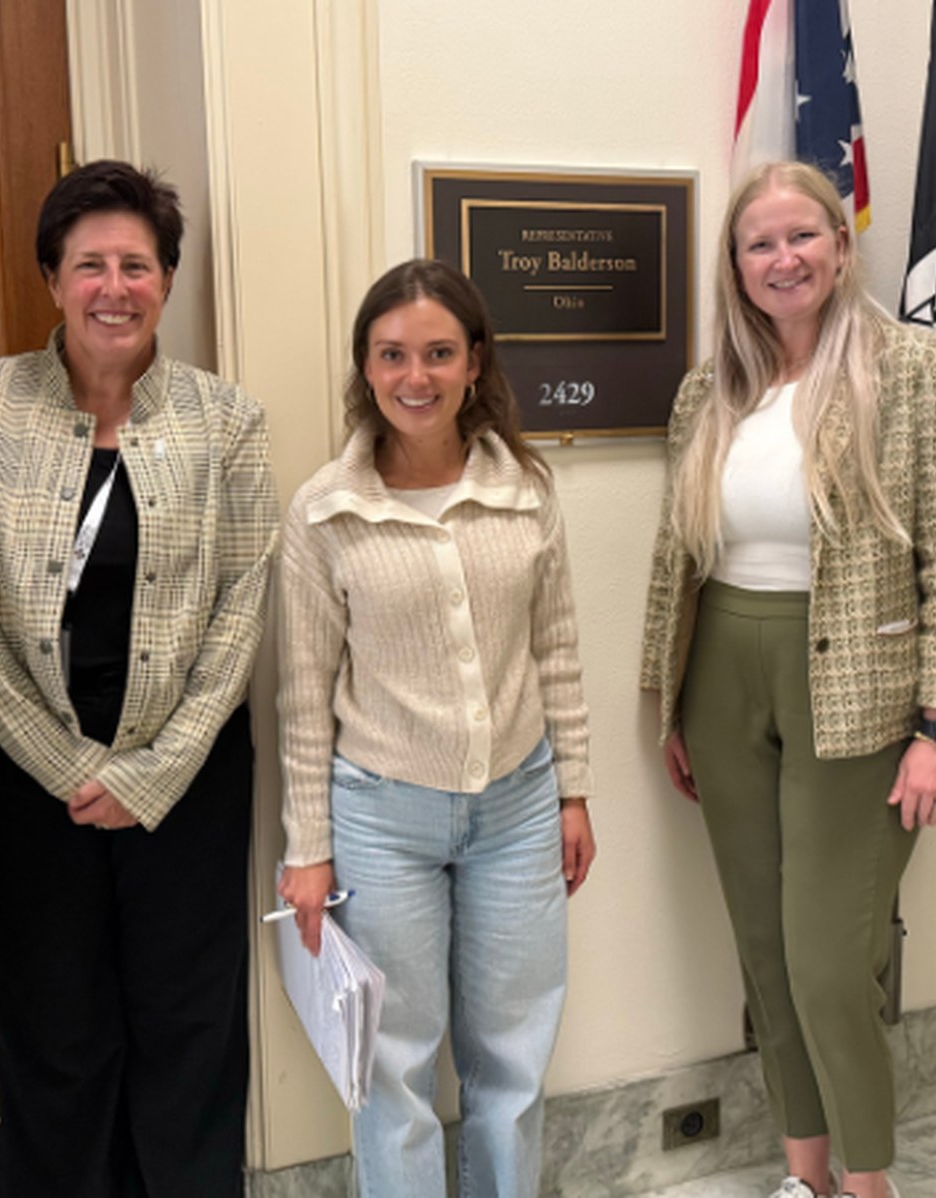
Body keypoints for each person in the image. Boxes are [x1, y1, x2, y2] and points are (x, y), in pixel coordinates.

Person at [0, 161, 277, 1196]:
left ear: (166, 280)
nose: (112, 287)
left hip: (189, 775)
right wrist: (68, 764)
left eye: (136, 264)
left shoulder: (227, 420)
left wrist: (154, 771)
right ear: (52, 278)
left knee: (189, 1023)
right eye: (89, 265)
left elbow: (242, 601)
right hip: (27, 777)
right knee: (55, 1028)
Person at [640, 162, 936, 1198]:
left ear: (841, 245)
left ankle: (869, 1183)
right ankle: (806, 1178)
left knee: (831, 962)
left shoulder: (917, 368)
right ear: (735, 265)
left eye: (802, 236)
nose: (782, 259)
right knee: (764, 951)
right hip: (721, 679)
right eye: (759, 244)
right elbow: (677, 560)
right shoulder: (709, 388)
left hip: (861, 690)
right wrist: (671, 702)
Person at [276, 258, 597, 1197]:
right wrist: (308, 848)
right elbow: (303, 694)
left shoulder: (524, 489)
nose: (414, 377)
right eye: (391, 355)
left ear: (474, 362)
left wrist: (573, 790)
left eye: (438, 354)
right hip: (381, 821)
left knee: (513, 1059)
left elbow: (557, 650)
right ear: (364, 367)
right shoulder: (325, 511)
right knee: (392, 1067)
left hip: (518, 809)